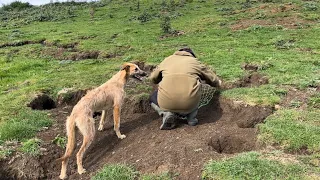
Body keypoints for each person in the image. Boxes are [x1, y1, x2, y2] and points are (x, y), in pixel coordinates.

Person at [149, 47, 221, 130]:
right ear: (191, 55)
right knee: (196, 89)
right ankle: (191, 118)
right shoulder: (195, 62)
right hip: (190, 104)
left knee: (152, 97)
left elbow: (153, 79)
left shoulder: (167, 60)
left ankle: (166, 113)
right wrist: (218, 83)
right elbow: (212, 79)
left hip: (166, 103)